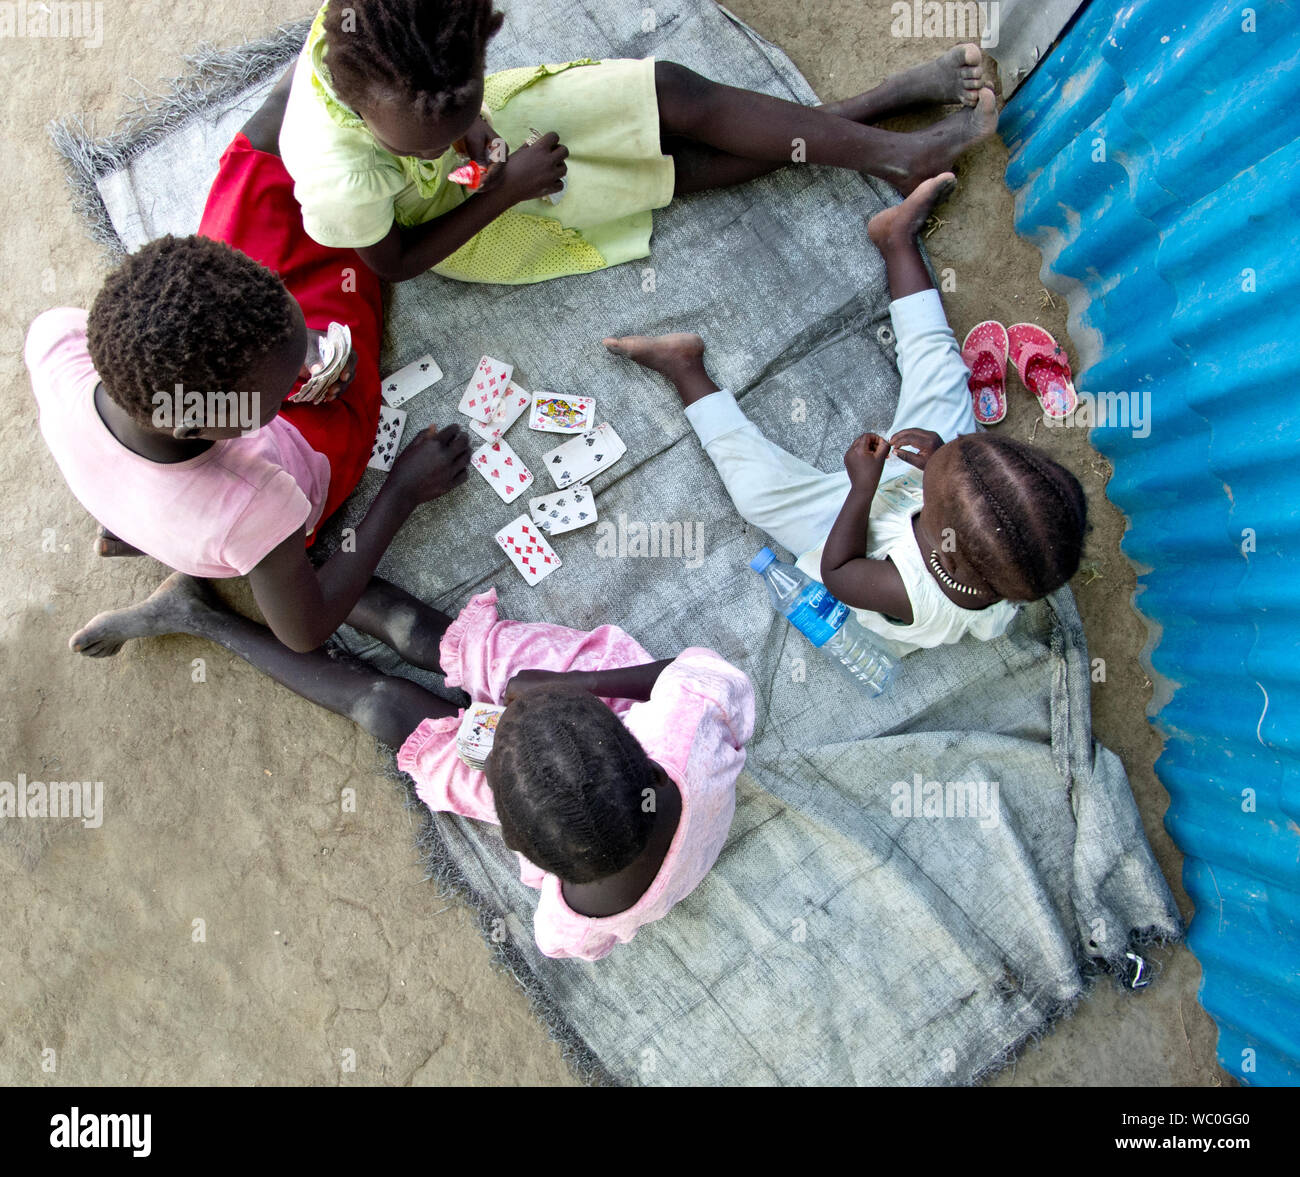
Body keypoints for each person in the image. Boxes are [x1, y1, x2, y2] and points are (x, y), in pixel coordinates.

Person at [70, 578, 754, 962]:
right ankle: (277, 566)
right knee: (462, 668)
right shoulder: (681, 729)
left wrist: (537, 698)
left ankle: (209, 612)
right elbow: (692, 671)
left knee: (389, 703)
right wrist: (564, 685)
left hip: (578, 752)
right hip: (590, 736)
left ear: (513, 839)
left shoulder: (570, 917)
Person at [25, 71, 472, 657]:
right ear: (205, 422)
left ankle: (143, 531)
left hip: (148, 491)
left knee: (261, 184)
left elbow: (239, 337)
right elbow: (304, 630)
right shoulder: (259, 499)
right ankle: (178, 549)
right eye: (285, 386)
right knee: (351, 321)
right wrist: (402, 491)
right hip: (281, 483)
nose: (307, 364)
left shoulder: (57, 342)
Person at [604, 174, 1089, 656]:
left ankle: (684, 369)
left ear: (944, 546)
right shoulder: (988, 544)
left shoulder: (908, 591)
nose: (943, 456)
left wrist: (863, 487)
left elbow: (838, 571)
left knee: (759, 496)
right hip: (926, 503)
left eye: (946, 468)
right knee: (940, 369)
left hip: (852, 539)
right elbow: (961, 486)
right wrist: (940, 456)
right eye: (960, 456)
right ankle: (896, 239)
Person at [278, 0, 998, 283]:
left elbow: (443, 96)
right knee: (669, 170)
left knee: (676, 92)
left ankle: (887, 143)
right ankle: (880, 127)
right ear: (364, 111)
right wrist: (507, 187)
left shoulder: (392, 25)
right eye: (420, 143)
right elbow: (394, 265)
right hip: (459, 222)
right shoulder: (338, 179)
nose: (438, 141)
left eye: (462, 96)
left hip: (495, 160)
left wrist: (473, 123)